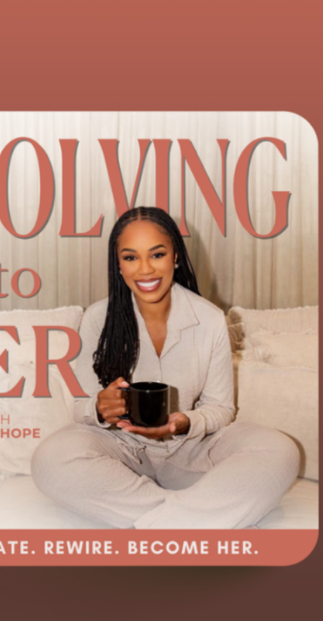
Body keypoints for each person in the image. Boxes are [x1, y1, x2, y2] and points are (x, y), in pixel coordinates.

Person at [31, 207, 300, 529]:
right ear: (118, 265)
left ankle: (161, 524)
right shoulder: (96, 319)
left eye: (156, 254)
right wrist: (100, 408)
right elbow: (80, 407)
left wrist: (185, 423)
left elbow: (220, 408)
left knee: (279, 450)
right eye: (131, 258)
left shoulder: (210, 318)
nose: (145, 270)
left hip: (190, 450)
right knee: (51, 458)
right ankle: (193, 520)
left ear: (175, 256)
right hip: (123, 452)